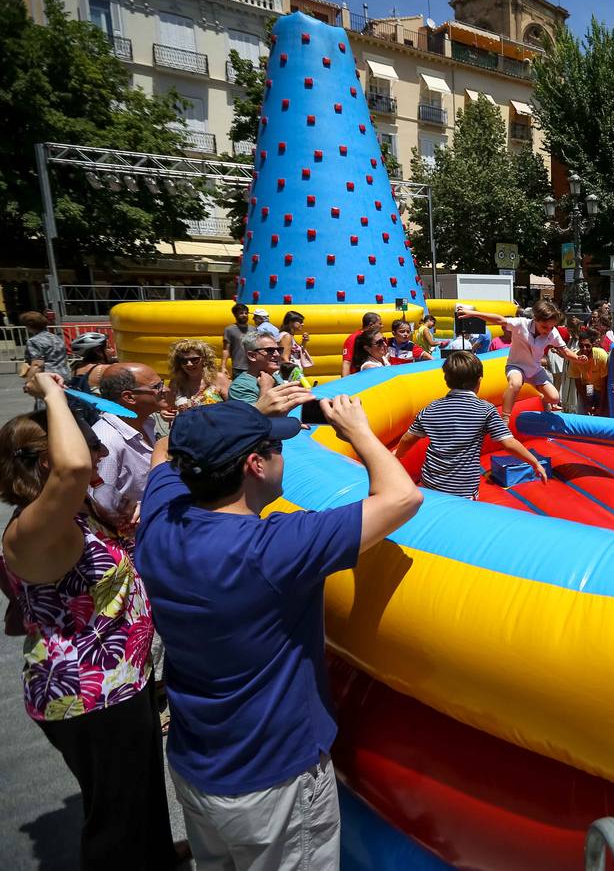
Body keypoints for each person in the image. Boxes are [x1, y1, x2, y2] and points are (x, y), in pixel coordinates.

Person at [135, 388, 420, 870]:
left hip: (197, 765)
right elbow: (402, 497)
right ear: (255, 466)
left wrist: (246, 417)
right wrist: (359, 433)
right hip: (272, 782)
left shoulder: (160, 519)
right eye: (276, 448)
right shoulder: (274, 548)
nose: (282, 455)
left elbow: (163, 453)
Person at [0, 373, 182, 871]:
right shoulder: (32, 529)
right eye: (89, 448)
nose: (99, 456)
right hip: (88, 694)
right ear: (48, 464)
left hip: (118, 683)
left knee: (138, 788)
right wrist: (51, 392)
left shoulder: (67, 519)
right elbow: (76, 467)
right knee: (115, 814)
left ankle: (155, 857)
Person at [395, 351, 547, 497]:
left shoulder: (431, 408)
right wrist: (534, 463)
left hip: (431, 484)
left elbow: (409, 438)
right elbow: (508, 442)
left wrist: (397, 455)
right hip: (463, 490)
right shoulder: (485, 410)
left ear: (447, 381)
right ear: (479, 380)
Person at [457, 301, 588, 420]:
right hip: (516, 366)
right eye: (544, 327)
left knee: (554, 398)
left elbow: (564, 351)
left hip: (535, 370)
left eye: (551, 327)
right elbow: (499, 320)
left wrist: (577, 358)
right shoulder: (521, 324)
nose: (548, 331)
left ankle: (543, 401)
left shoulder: (552, 332)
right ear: (535, 319)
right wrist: (472, 313)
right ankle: (505, 417)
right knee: (515, 384)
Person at [90, 363, 169, 529]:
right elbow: (99, 508)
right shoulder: (107, 442)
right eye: (157, 386)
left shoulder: (146, 423)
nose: (165, 389)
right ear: (129, 397)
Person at [167, 339, 230, 412]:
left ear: (204, 359)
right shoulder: (175, 383)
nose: (189, 364)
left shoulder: (218, 378)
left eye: (194, 360)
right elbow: (168, 409)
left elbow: (235, 407)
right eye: (183, 361)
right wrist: (165, 414)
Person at [20, 311, 70, 400]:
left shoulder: (34, 341)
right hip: (64, 375)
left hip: (48, 378)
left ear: (29, 326)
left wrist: (28, 383)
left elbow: (37, 365)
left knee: (46, 405)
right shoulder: (56, 338)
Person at [226, 331, 285, 404]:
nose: (277, 354)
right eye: (270, 350)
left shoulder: (276, 377)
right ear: (252, 356)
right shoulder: (240, 387)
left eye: (279, 350)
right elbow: (253, 415)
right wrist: (266, 388)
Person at [568, 330, 610, 415]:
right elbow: (578, 382)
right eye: (581, 346)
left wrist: (600, 406)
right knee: (583, 412)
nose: (584, 349)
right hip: (588, 387)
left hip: (601, 388)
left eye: (587, 346)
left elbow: (605, 383)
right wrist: (586, 404)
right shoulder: (575, 358)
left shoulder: (601, 356)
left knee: (602, 414)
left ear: (593, 345)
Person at [341, 312, 383, 376]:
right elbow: (347, 362)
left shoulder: (377, 337)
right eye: (380, 323)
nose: (382, 326)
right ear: (371, 325)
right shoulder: (353, 338)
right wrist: (345, 383)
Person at [277, 311, 315, 384]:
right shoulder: (286, 336)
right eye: (300, 322)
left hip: (292, 374)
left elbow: (295, 353)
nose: (302, 324)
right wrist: (296, 374)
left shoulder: (290, 336)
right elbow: (285, 358)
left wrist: (304, 342)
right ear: (291, 322)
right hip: (290, 375)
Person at [222, 303, 252, 378]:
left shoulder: (253, 329)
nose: (244, 315)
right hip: (238, 367)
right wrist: (223, 366)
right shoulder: (229, 330)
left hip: (253, 366)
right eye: (241, 313)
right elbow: (226, 350)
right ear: (235, 315)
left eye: (246, 313)